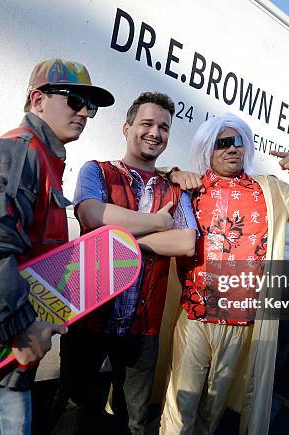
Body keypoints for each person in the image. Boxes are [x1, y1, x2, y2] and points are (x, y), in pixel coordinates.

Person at [0, 58, 114, 434]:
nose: (84, 112)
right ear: (37, 100)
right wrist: (18, 328)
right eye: (74, 100)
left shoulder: (45, 159)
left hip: (3, 357)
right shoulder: (17, 152)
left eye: (90, 106)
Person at [161, 113, 289, 434]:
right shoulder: (191, 186)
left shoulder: (269, 190)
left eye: (238, 141)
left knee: (212, 407)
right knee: (179, 406)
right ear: (207, 150)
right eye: (222, 143)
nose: (231, 148)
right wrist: (173, 172)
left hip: (241, 321)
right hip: (195, 316)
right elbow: (150, 177)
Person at [49, 92, 197, 434]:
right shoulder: (97, 171)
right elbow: (91, 213)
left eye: (164, 127)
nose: (155, 132)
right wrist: (160, 224)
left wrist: (120, 237)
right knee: (71, 408)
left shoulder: (176, 190)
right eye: (147, 123)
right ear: (126, 127)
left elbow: (186, 242)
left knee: (134, 420)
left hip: (142, 327)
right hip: (89, 314)